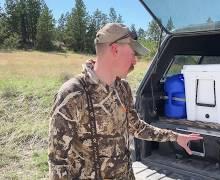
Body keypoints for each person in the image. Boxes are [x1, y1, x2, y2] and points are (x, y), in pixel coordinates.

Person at [48, 23, 202, 180]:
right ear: (115, 49)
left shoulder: (123, 88)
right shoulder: (73, 94)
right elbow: (58, 161)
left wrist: (175, 136)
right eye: (133, 53)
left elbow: (136, 127)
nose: (135, 61)